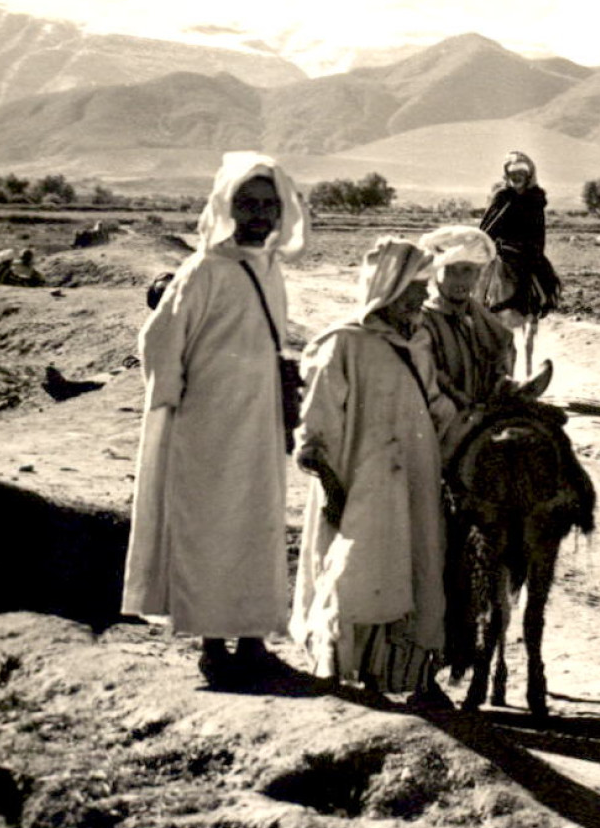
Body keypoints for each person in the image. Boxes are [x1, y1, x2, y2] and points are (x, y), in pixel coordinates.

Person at [121, 151, 308, 688]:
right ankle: (211, 647)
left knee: (257, 527)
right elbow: (159, 340)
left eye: (268, 205)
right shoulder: (204, 269)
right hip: (208, 427)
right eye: (247, 204)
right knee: (211, 530)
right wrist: (179, 403)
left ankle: (252, 642)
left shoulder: (269, 268)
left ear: (281, 211)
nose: (258, 215)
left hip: (258, 422)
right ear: (227, 208)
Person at [288, 237, 458, 711]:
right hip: (357, 481)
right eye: (414, 287)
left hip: (414, 479)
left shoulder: (417, 342)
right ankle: (335, 665)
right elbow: (315, 423)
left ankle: (399, 674)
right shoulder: (341, 343)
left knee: (414, 566)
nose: (422, 298)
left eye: (424, 287)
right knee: (353, 570)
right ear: (388, 285)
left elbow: (434, 405)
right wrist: (328, 482)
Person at [417, 224, 515, 456]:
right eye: (452, 271)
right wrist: (465, 405)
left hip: (481, 418)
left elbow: (500, 359)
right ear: (436, 274)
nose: (460, 280)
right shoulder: (424, 321)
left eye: (468, 271)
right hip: (439, 425)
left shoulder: (484, 320)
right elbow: (431, 376)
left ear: (478, 275)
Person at [477, 151, 560, 379]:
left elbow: (538, 229)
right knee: (480, 275)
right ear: (507, 174)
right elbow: (489, 226)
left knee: (544, 278)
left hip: (527, 251)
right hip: (501, 248)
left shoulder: (536, 198)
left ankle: (535, 306)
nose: (517, 176)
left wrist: (534, 250)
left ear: (529, 174)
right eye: (512, 172)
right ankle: (476, 309)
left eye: (521, 172)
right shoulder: (501, 196)